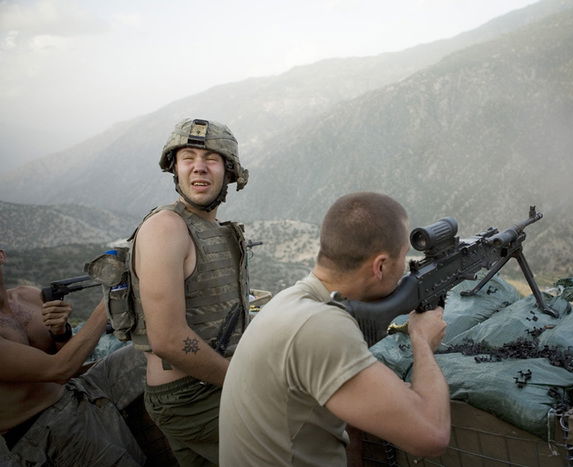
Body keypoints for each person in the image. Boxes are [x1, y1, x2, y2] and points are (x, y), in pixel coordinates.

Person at [219, 192, 451, 466]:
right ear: (380, 266)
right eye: (404, 258)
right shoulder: (321, 328)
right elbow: (431, 435)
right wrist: (422, 340)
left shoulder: (292, 299)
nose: (405, 269)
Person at [130, 118, 250, 466]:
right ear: (175, 168)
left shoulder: (208, 228)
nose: (199, 167)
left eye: (211, 158)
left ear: (229, 172)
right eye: (188, 157)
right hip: (191, 396)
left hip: (203, 386)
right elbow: (167, 340)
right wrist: (245, 383)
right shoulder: (167, 227)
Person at [0, 248, 146, 466]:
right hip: (44, 428)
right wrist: (108, 299)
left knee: (149, 353)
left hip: (78, 389)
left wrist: (61, 334)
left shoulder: (28, 296)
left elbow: (65, 357)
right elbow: (59, 369)